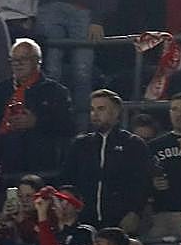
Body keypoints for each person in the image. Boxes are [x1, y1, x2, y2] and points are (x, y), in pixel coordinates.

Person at [61, 91, 153, 231]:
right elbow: (68, 179)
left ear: (116, 112)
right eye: (92, 109)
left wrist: (135, 212)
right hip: (84, 220)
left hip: (120, 221)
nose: (95, 114)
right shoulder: (80, 145)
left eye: (101, 109)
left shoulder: (133, 144)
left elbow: (143, 182)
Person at [0, 39, 73, 178]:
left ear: (38, 61)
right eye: (14, 60)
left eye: (24, 59)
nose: (18, 64)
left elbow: (67, 126)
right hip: (4, 162)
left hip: (39, 166)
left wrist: (36, 122)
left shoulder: (55, 92)